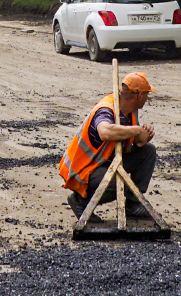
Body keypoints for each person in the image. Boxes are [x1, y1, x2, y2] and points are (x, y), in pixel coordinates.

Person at [60, 71, 157, 219]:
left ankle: (133, 205)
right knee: (120, 184)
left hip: (107, 161)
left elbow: (126, 140)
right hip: (85, 168)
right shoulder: (106, 109)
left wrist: (140, 140)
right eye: (146, 94)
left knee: (148, 152)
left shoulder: (131, 111)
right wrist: (137, 130)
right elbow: (105, 132)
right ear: (139, 96)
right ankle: (80, 201)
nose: (147, 98)